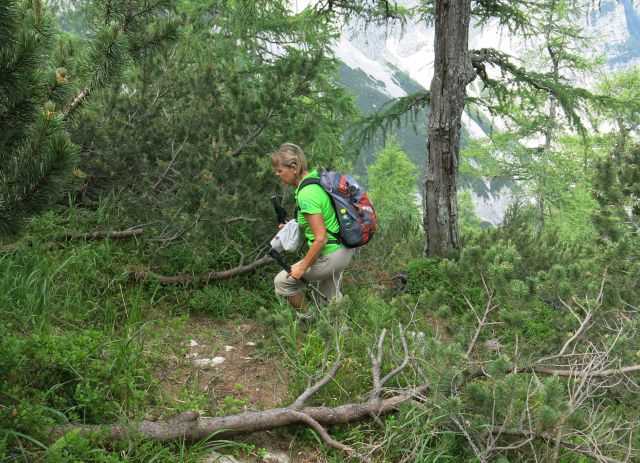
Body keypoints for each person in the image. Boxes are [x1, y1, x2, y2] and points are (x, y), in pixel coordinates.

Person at [271, 143, 354, 318]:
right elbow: (320, 217)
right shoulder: (315, 178)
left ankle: (311, 322)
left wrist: (303, 267)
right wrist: (292, 224)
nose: (276, 174)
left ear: (294, 167)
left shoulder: (306, 195)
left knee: (282, 283)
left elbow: (320, 239)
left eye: (279, 170)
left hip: (330, 253)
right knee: (330, 301)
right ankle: (342, 338)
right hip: (344, 248)